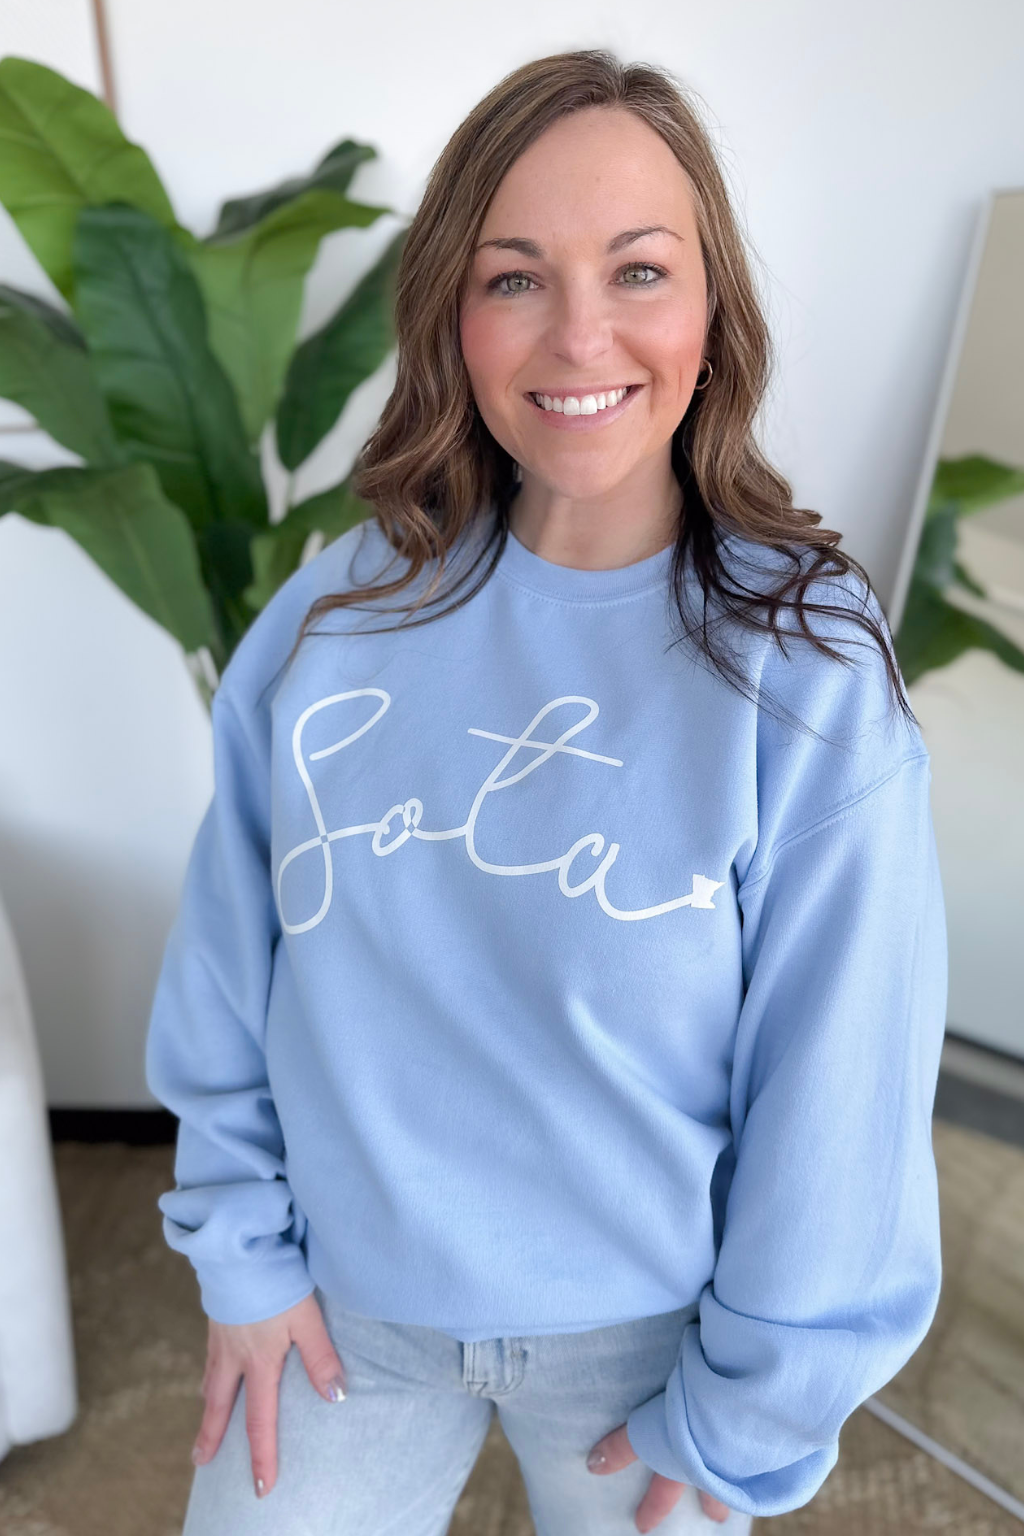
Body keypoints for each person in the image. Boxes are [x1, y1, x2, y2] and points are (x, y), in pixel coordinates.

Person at [145, 47, 948, 1536]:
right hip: (343, 1317)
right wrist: (242, 1258)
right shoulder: (336, 620)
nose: (581, 334)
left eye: (639, 270)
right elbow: (224, 967)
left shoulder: (807, 664)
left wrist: (748, 1408)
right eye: (515, 277)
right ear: (451, 314)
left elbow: (842, 1086)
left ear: (712, 311)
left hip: (654, 1348)